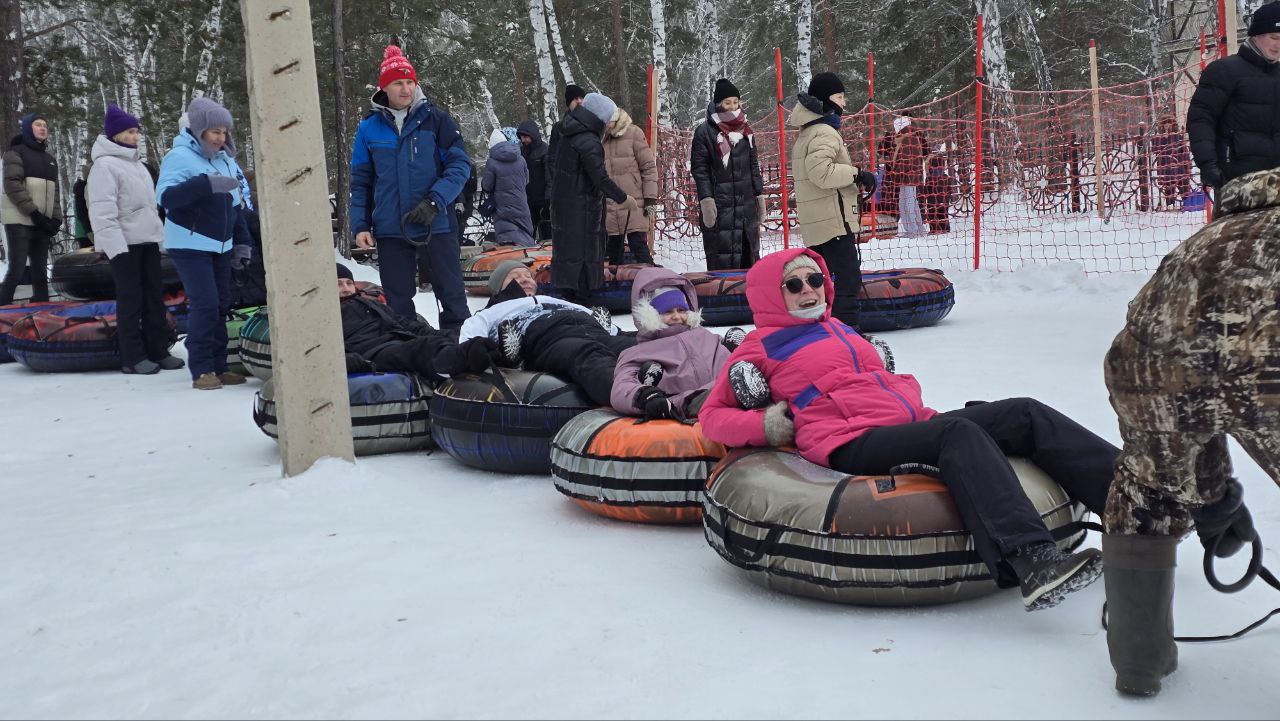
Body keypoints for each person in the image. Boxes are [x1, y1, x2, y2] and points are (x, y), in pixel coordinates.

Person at [699, 247, 1118, 612]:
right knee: (958, 434)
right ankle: (1032, 559)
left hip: (910, 420)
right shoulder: (761, 345)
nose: (809, 290)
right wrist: (768, 425)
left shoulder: (839, 327)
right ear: (772, 294)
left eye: (814, 279)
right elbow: (713, 416)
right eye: (794, 285)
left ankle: (1132, 500)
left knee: (1023, 413)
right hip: (850, 441)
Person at [1100, 167, 1279, 697]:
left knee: (1144, 489)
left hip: (1149, 365)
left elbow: (1200, 373)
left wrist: (1209, 495)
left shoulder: (1207, 237)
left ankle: (1139, 661)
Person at [350, 45, 472, 328]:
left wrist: (434, 201)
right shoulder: (369, 127)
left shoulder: (437, 120)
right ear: (385, 88)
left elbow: (459, 167)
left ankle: (461, 352)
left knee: (452, 297)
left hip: (436, 225)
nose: (405, 89)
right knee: (398, 303)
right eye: (398, 83)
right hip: (392, 227)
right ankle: (409, 356)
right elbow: (362, 181)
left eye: (410, 82)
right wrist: (360, 225)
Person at [156, 96, 254, 390]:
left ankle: (219, 365)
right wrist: (202, 184)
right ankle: (201, 369)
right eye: (214, 132)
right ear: (199, 131)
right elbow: (165, 198)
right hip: (190, 243)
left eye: (224, 132)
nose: (220, 138)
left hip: (221, 245)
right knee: (206, 304)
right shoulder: (179, 157)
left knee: (222, 304)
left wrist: (242, 243)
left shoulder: (225, 160)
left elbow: (235, 207)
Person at [458, 259, 638, 406]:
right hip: (547, 336)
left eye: (528, 275)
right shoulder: (490, 313)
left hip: (590, 328)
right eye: (514, 277)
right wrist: (488, 353)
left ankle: (654, 375)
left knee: (634, 346)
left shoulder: (556, 300)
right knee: (585, 352)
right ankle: (635, 396)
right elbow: (469, 343)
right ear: (498, 286)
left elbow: (617, 332)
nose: (524, 279)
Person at [86, 105, 184, 375]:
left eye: (137, 131)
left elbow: (150, 206)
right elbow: (102, 210)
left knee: (154, 296)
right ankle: (132, 356)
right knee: (131, 299)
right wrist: (115, 248)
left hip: (147, 240)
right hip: (125, 245)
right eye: (130, 132)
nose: (136, 136)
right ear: (116, 134)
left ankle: (158, 349)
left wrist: (159, 237)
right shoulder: (104, 166)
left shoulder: (139, 165)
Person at [787, 72, 877, 329]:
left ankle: (826, 333)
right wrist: (858, 174)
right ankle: (848, 336)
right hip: (833, 223)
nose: (844, 104)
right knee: (847, 281)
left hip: (819, 222)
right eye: (839, 97)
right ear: (826, 100)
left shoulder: (808, 132)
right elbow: (822, 173)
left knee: (823, 283)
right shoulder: (824, 131)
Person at [546, 92, 640, 302]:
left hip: (566, 211)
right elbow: (599, 178)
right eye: (608, 120)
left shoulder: (569, 133)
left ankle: (572, 305)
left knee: (569, 266)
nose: (609, 125)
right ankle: (583, 308)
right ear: (599, 117)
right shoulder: (588, 140)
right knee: (582, 269)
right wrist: (623, 198)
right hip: (582, 213)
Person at [336, 263, 498, 381]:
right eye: (338, 284)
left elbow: (406, 325)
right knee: (421, 348)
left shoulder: (371, 303)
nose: (346, 288)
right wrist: (353, 361)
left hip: (399, 339)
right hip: (371, 353)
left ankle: (497, 351)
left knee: (448, 335)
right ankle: (467, 359)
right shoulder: (328, 315)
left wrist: (448, 334)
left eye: (349, 283)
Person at [610, 267, 734, 420]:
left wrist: (737, 350)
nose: (677, 316)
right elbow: (622, 387)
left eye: (681, 310)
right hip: (686, 403)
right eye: (667, 312)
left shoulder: (707, 338)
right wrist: (644, 395)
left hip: (727, 387)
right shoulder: (637, 354)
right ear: (649, 315)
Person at [1187, 2, 1280, 196]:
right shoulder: (1224, 71)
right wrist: (1209, 165)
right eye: (1274, 37)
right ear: (1256, 34)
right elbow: (1201, 118)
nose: (1279, 44)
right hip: (1238, 183)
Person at [690, 78, 765, 270]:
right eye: (727, 103)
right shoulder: (705, 132)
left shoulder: (746, 130)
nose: (732, 107)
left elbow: (753, 164)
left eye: (735, 102)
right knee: (722, 262)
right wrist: (706, 199)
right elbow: (700, 169)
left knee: (749, 262)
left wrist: (759, 194)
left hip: (746, 208)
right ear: (718, 104)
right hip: (721, 208)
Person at [0, 113, 61, 305]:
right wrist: (34, 213)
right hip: (20, 220)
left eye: (45, 125)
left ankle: (43, 310)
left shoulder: (50, 159)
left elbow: (55, 193)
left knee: (40, 272)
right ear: (28, 128)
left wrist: (56, 219)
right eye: (37, 125)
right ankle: (2, 309)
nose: (43, 128)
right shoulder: (15, 153)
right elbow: (12, 185)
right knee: (17, 270)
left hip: (41, 222)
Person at [602, 106, 658, 265]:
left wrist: (650, 199)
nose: (607, 124)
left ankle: (653, 282)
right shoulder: (600, 139)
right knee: (613, 251)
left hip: (635, 203)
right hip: (610, 204)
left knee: (638, 246)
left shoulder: (634, 133)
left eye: (610, 120)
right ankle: (616, 286)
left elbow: (648, 167)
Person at [482, 128, 536, 247]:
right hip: (521, 203)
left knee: (508, 239)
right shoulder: (521, 159)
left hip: (502, 207)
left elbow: (487, 186)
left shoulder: (492, 162)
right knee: (525, 236)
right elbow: (526, 180)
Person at [546, 84, 587, 204]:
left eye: (581, 98)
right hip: (568, 187)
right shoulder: (559, 128)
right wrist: (561, 181)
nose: (579, 101)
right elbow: (552, 158)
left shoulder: (593, 123)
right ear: (569, 102)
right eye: (575, 98)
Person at [889, 113, 927, 237]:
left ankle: (913, 230)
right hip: (910, 177)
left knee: (907, 204)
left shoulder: (907, 140)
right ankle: (917, 229)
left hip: (907, 177)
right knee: (910, 203)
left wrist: (896, 173)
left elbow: (904, 161)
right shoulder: (911, 139)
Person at [516, 120, 550, 241]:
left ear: (533, 135)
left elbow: (550, 177)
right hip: (526, 200)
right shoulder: (521, 151)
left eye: (525, 137)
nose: (523, 140)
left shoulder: (545, 150)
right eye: (521, 137)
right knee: (526, 235)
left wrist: (548, 198)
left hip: (542, 200)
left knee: (547, 234)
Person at [1150, 116, 1192, 209]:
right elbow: (1156, 151)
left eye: (1169, 123)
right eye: (1165, 124)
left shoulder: (1178, 136)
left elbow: (1184, 150)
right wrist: (1160, 139)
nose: (1167, 126)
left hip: (1178, 166)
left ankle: (1186, 203)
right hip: (1166, 167)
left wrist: (1186, 164)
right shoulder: (1159, 138)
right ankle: (1170, 204)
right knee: (1169, 186)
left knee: (1183, 185)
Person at [920, 152, 954, 233]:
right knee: (944, 214)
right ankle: (945, 228)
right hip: (944, 201)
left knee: (932, 215)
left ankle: (934, 229)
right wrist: (949, 197)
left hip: (932, 202)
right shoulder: (946, 177)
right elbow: (949, 189)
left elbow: (926, 190)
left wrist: (924, 197)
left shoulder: (929, 178)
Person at [73, 161, 94, 249]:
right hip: (86, 232)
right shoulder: (83, 189)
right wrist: (89, 231)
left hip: (84, 231)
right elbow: (81, 212)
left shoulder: (81, 187)